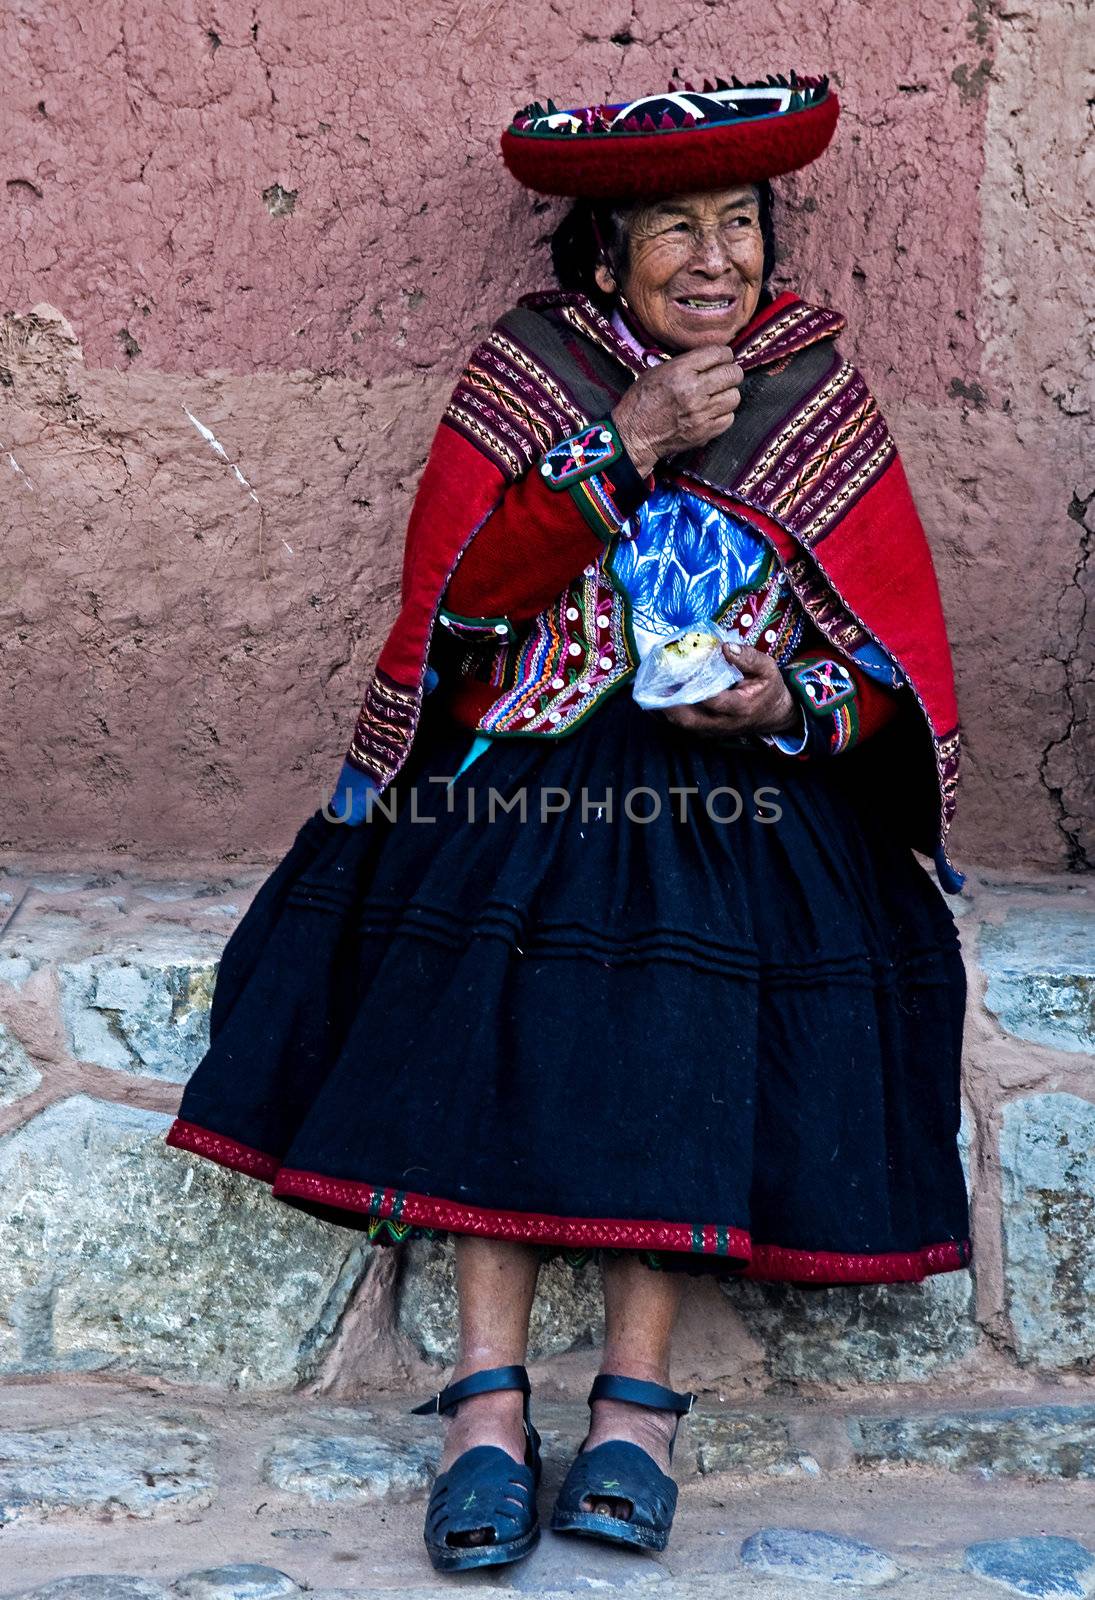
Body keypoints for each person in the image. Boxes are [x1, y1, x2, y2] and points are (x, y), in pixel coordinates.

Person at [167, 73, 970, 1573]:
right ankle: (486, 1408)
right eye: (675, 228)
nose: (715, 260)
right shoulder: (530, 376)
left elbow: (887, 673)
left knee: (684, 986)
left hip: (744, 789)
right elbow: (459, 604)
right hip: (530, 761)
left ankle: (634, 1409)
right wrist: (627, 445)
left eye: (739, 225)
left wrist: (784, 700)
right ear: (606, 256)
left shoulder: (812, 391)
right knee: (507, 974)